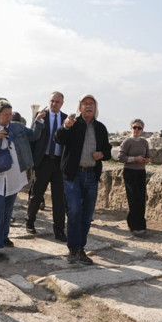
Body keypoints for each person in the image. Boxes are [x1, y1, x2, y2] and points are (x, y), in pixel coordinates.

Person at [0, 100, 44, 264]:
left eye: (10, 114)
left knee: (7, 211)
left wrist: (38, 121)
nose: (9, 117)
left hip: (13, 176)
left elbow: (33, 135)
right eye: (5, 114)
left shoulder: (16, 126)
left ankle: (4, 237)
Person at [54, 94, 112, 265]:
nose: (88, 106)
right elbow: (58, 138)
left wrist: (101, 154)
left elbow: (108, 151)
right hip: (73, 175)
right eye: (85, 104)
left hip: (92, 175)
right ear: (79, 107)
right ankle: (73, 248)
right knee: (74, 211)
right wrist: (65, 127)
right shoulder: (72, 123)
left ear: (96, 107)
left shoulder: (100, 127)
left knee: (87, 215)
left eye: (91, 104)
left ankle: (81, 249)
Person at [26, 91, 68, 241]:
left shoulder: (66, 119)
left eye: (57, 101)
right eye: (52, 101)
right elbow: (32, 137)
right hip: (43, 160)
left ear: (62, 103)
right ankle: (30, 222)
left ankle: (59, 230)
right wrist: (30, 162)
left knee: (59, 199)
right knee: (37, 194)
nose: (54, 103)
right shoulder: (40, 115)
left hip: (59, 163)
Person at [118, 118, 151, 237]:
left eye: (139, 128)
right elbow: (120, 157)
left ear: (142, 130)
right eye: (134, 127)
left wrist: (146, 160)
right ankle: (134, 225)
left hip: (141, 172)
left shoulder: (144, 142)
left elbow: (148, 156)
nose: (137, 130)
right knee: (133, 198)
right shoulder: (127, 141)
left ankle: (140, 225)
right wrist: (134, 159)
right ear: (131, 128)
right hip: (130, 172)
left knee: (141, 198)